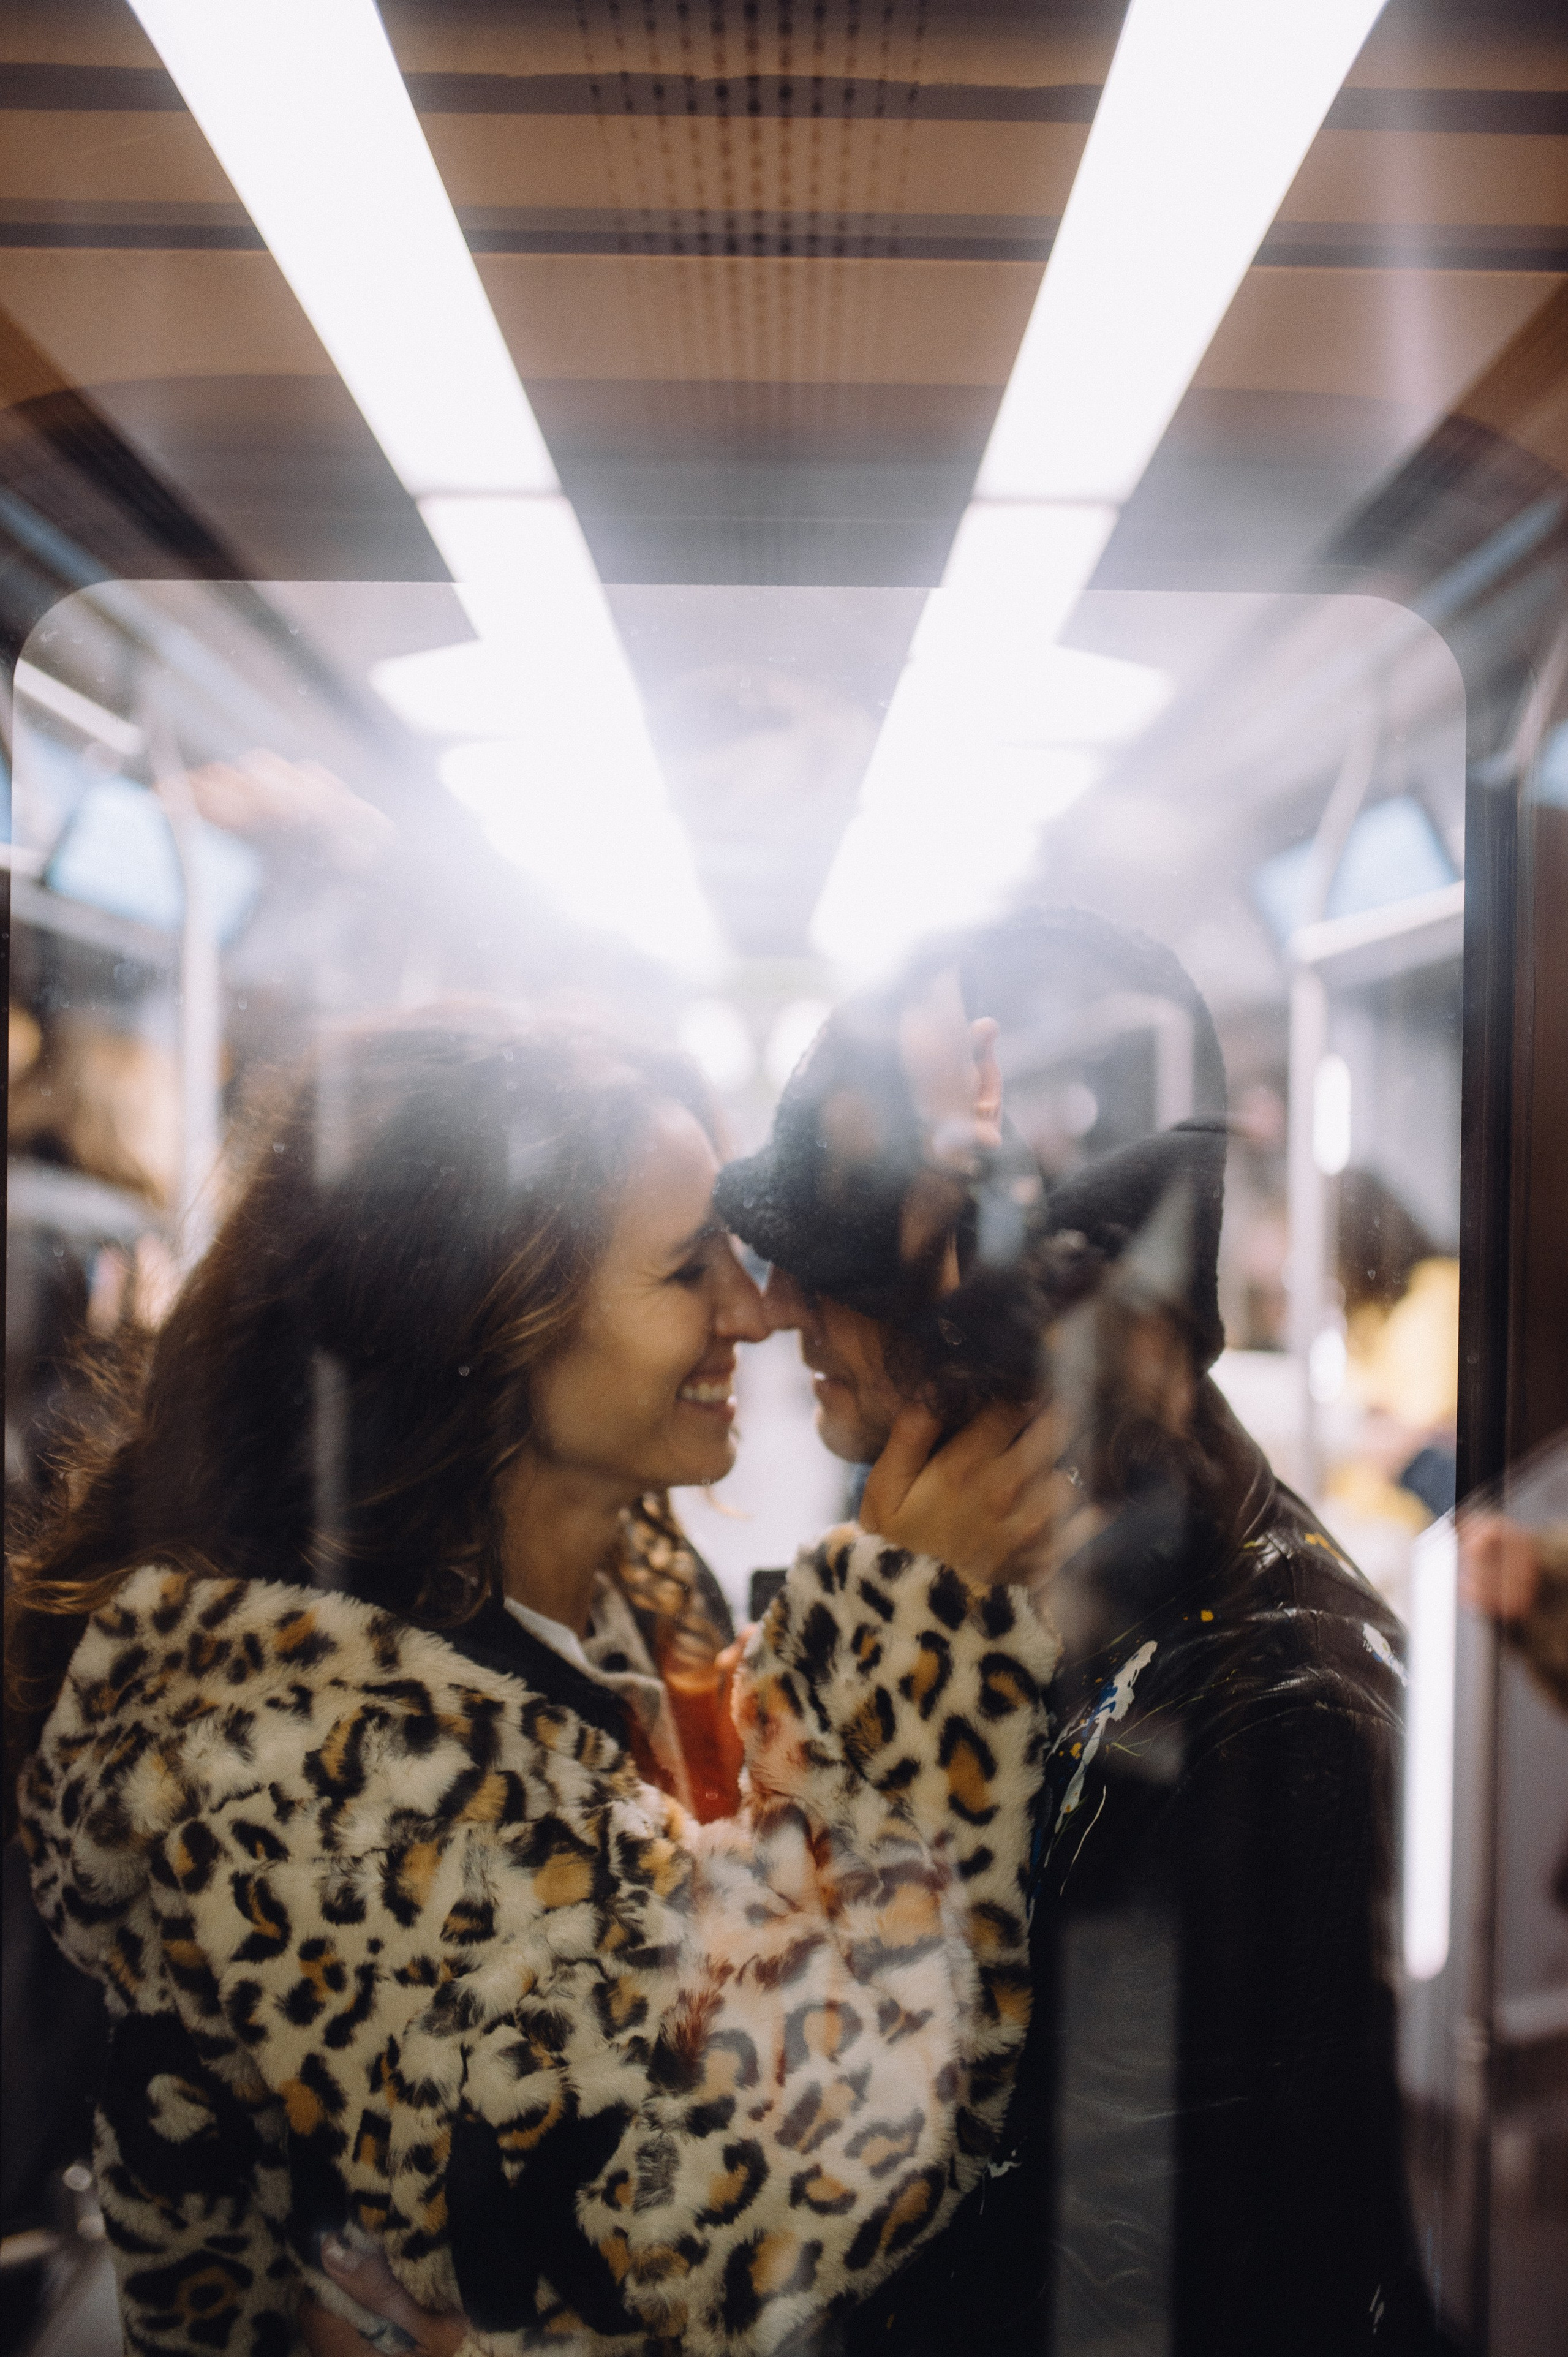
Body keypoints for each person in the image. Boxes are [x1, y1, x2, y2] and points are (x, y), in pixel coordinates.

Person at [9, 1009, 1069, 2357]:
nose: (752, 1310)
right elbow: (731, 2225)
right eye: (689, 1268)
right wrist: (919, 1648)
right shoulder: (302, 1758)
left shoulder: (605, 1623)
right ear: (490, 1323)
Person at [713, 908, 1440, 2356]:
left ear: (1031, 1300)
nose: (770, 1300)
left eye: (843, 1260)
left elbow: (1131, 2291)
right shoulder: (971, 1575)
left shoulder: (1265, 1704)